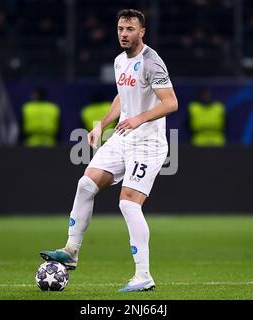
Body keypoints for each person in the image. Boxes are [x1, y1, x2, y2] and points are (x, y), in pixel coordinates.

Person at [40, 9, 178, 292]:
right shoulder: (118, 61)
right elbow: (122, 96)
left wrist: (138, 118)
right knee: (86, 184)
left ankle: (143, 276)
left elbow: (171, 102)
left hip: (148, 143)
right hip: (122, 138)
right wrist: (101, 125)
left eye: (129, 29)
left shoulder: (152, 62)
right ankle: (71, 250)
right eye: (120, 29)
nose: (123, 34)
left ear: (142, 32)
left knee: (128, 202)